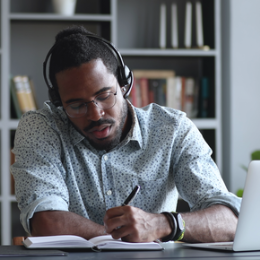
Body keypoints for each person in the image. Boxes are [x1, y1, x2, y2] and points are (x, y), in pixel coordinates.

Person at [11, 25, 241, 243]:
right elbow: (46, 222)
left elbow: (230, 220)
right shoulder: (41, 129)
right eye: (77, 105)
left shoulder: (172, 129)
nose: (95, 114)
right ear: (59, 103)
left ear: (124, 83)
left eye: (104, 96)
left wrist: (162, 224)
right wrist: (124, 240)